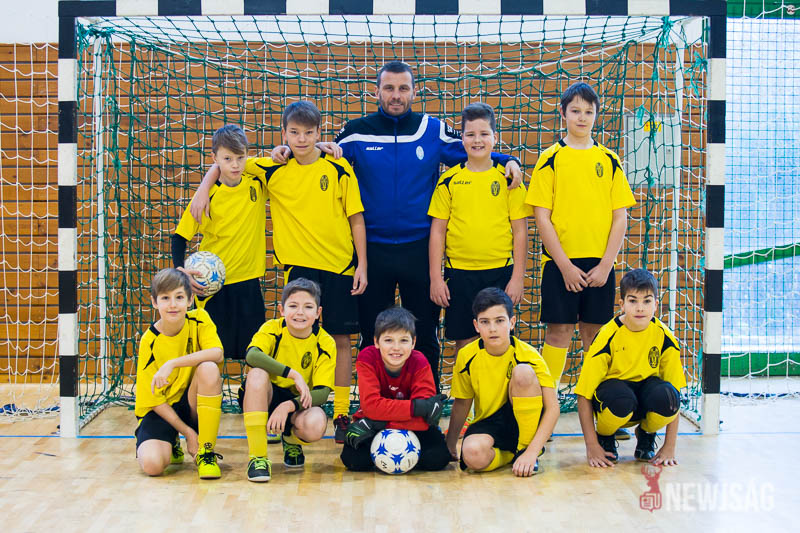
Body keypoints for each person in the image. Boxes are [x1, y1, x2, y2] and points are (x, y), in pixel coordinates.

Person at [192, 101, 367, 443]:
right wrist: (202, 188)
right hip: (299, 268)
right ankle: (290, 408)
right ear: (284, 133)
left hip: (341, 265)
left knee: (341, 340)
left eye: (309, 133)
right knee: (294, 337)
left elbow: (356, 217)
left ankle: (342, 413)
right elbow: (228, 162)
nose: (301, 139)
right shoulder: (272, 167)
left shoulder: (338, 166)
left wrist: (362, 264)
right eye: (294, 133)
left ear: (319, 133)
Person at [525, 82, 636, 438]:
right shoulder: (550, 158)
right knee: (559, 332)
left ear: (596, 115)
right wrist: (564, 266)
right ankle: (545, 413)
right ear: (563, 114)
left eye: (589, 111)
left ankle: (603, 412)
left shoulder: (609, 159)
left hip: (599, 266)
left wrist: (606, 264)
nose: (582, 117)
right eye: (575, 110)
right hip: (560, 265)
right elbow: (541, 217)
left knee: (596, 338)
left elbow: (620, 216)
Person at [428, 102, 531, 355]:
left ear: (495, 138)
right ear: (462, 139)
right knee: (465, 344)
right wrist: (436, 278)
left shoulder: (509, 179)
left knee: (499, 342)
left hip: (499, 272)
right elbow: (437, 232)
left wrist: (518, 278)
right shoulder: (449, 180)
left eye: (484, 134)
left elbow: (520, 231)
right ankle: (465, 384)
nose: (477, 140)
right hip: (459, 273)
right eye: (470, 134)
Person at [172, 125, 267, 361]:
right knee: (211, 357)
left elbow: (286, 159)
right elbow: (180, 237)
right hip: (212, 289)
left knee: (255, 357)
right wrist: (180, 271)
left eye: (240, 158)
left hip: (249, 284)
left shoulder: (257, 184)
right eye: (227, 159)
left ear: (247, 155)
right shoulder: (206, 197)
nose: (235, 165)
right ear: (214, 158)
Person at [575, 268, 686, 467]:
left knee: (669, 398)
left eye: (647, 301)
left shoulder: (665, 336)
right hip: (615, 402)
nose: (640, 308)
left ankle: (646, 434)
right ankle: (605, 436)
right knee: (622, 399)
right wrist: (591, 445)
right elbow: (583, 395)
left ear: (656, 305)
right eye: (633, 301)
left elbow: (675, 390)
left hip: (645, 399)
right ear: (622, 304)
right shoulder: (607, 335)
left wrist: (670, 446)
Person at [445, 288, 559, 477]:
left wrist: (531, 452)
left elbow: (553, 408)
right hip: (490, 422)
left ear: (512, 322)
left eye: (499, 321)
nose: (492, 328)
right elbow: (462, 403)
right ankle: (510, 456)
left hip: (525, 422)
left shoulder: (528, 355)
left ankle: (524, 450)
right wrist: (450, 444)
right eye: (485, 322)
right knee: (472, 455)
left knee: (523, 373)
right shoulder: (466, 356)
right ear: (476, 325)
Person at [239, 278, 335, 482]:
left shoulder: (325, 342)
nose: (300, 312)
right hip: (265, 396)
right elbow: (252, 355)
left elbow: (323, 392)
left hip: (296, 402)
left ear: (318, 313)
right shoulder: (272, 328)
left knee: (317, 421)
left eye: (308, 307)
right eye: (293, 306)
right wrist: (293, 374)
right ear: (281, 310)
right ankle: (258, 458)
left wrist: (288, 406)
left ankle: (291, 439)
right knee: (257, 374)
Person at [134, 268, 224, 479]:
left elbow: (217, 353)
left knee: (209, 368)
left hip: (191, 403)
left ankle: (206, 452)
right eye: (165, 298)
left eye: (179, 297)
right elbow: (154, 401)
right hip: (162, 410)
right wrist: (187, 432)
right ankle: (173, 440)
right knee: (152, 466)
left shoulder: (200, 318)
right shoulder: (149, 341)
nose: (173, 304)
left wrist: (172, 364)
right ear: (154, 302)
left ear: (190, 300)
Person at [340, 307, 450, 472]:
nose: (396, 347)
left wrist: (377, 422)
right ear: (376, 342)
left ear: (413, 342)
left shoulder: (420, 362)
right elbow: (371, 406)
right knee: (353, 460)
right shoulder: (367, 358)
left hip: (376, 423)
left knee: (438, 459)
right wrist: (416, 407)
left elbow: (424, 419)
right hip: (382, 422)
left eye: (404, 340)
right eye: (388, 340)